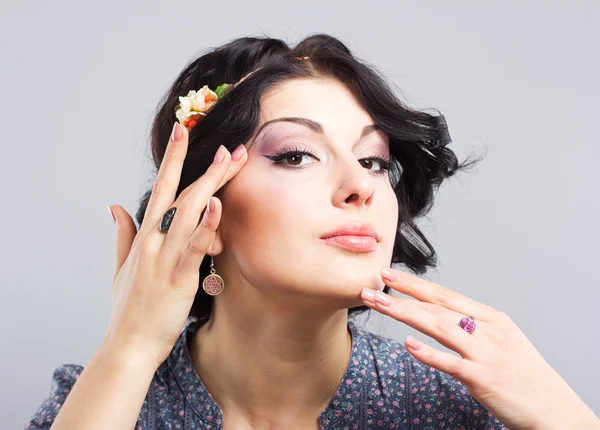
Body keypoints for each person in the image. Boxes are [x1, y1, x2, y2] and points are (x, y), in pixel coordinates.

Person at [24, 34, 599, 430]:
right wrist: (128, 349)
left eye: (373, 160)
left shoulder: (443, 408)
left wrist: (565, 417)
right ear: (205, 210)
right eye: (298, 155)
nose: (362, 187)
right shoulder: (105, 401)